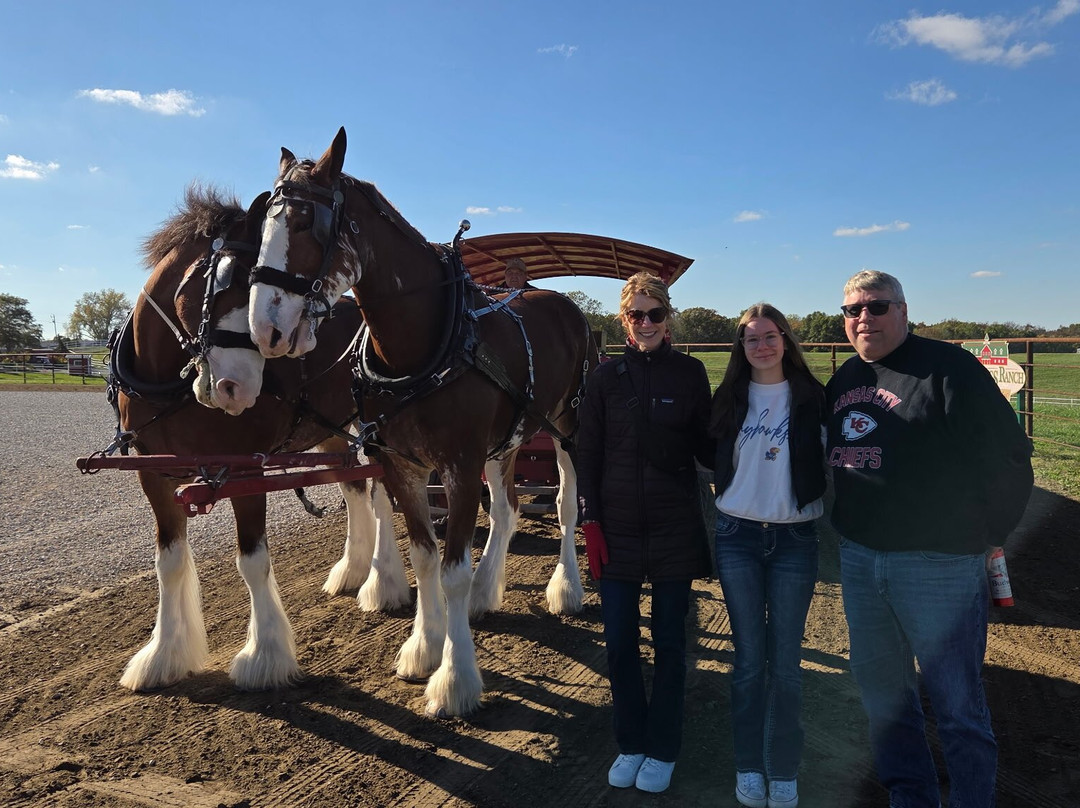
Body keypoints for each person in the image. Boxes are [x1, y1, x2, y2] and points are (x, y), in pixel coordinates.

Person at [826, 270, 1033, 808]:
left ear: (902, 309)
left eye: (876, 306)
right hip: (861, 558)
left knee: (958, 705)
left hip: (937, 564)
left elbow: (1011, 459)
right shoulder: (845, 377)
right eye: (853, 310)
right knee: (884, 696)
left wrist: (987, 536)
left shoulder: (948, 369)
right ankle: (910, 795)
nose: (864, 318)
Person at [575, 271, 713, 794]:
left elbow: (708, 444)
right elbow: (588, 454)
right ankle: (631, 741)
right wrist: (589, 519)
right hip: (619, 528)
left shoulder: (692, 373)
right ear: (623, 319)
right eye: (637, 314)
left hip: (674, 525)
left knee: (671, 643)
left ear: (668, 315)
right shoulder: (605, 379)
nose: (647, 322)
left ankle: (664, 747)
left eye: (656, 312)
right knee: (619, 642)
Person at [709, 304, 826, 808]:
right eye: (751, 339)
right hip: (737, 534)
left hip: (795, 538)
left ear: (785, 339)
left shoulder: (814, 397)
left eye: (770, 336)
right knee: (749, 661)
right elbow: (706, 453)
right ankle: (748, 765)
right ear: (741, 347)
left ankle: (783, 769)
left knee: (787, 663)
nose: (762, 346)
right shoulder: (729, 397)